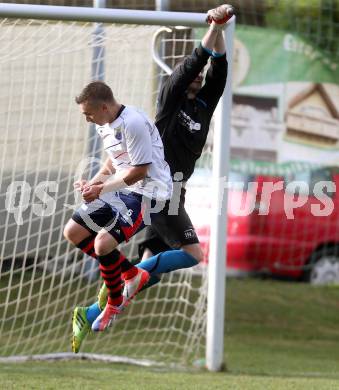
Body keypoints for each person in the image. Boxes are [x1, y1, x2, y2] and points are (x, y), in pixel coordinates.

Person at [72, 3, 234, 353]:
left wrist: (221, 27)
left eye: (199, 76)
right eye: (191, 73)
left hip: (175, 193)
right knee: (192, 254)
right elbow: (198, 60)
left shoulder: (203, 106)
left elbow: (218, 69)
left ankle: (97, 305)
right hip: (158, 193)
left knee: (152, 268)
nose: (196, 76)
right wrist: (213, 28)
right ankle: (115, 286)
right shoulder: (169, 100)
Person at [64, 80, 172, 334]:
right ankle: (132, 273)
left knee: (102, 244)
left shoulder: (133, 123)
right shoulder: (106, 124)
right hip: (124, 190)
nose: (87, 120)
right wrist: (93, 183)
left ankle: (114, 303)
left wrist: (102, 189)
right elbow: (115, 162)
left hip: (149, 194)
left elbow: (139, 171)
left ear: (103, 107)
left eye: (88, 114)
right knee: (73, 231)